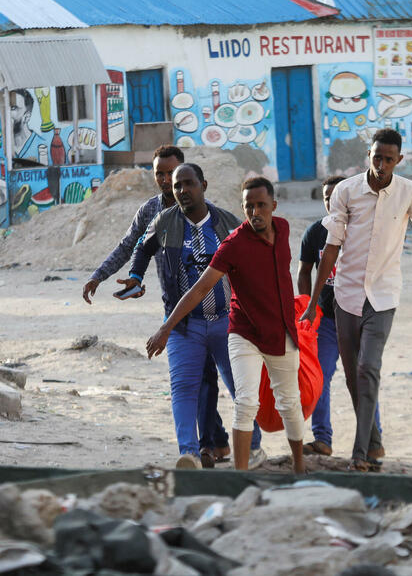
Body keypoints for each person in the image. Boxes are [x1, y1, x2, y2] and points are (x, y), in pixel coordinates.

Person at [301, 128, 412, 472]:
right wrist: (313, 302)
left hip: (383, 296)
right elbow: (331, 247)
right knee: (354, 376)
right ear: (368, 156)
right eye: (376, 157)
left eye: (388, 159)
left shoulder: (409, 192)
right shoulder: (346, 191)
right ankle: (374, 443)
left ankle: (360, 452)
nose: (381, 164)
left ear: (399, 160)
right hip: (346, 296)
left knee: (369, 367)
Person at [81, 146, 232, 467]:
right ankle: (208, 444)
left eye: (173, 174)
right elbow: (131, 247)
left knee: (210, 378)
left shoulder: (212, 216)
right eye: (160, 175)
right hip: (177, 308)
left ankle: (211, 443)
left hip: (213, 308)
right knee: (192, 380)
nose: (167, 181)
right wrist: (107, 276)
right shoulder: (153, 213)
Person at [146, 177, 306, 474]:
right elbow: (198, 289)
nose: (255, 212)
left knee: (289, 404)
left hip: (280, 331)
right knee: (246, 402)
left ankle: (299, 467)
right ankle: (240, 474)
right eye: (249, 206)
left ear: (274, 206)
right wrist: (166, 328)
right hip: (243, 332)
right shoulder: (233, 245)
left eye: (261, 205)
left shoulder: (282, 229)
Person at [126, 164, 265, 470]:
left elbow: (254, 262)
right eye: (177, 186)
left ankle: (254, 448)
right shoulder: (164, 222)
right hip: (183, 326)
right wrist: (135, 277)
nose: (182, 191)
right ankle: (188, 453)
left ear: (203, 184)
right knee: (183, 388)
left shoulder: (227, 222)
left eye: (188, 184)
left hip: (227, 322)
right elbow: (141, 248)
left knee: (240, 387)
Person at [298, 175, 380, 457]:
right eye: (326, 198)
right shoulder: (315, 232)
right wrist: (309, 306)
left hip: (359, 319)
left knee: (362, 378)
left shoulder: (365, 231)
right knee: (319, 377)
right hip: (328, 322)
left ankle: (372, 441)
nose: (331, 202)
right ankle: (322, 439)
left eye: (336, 196)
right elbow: (303, 272)